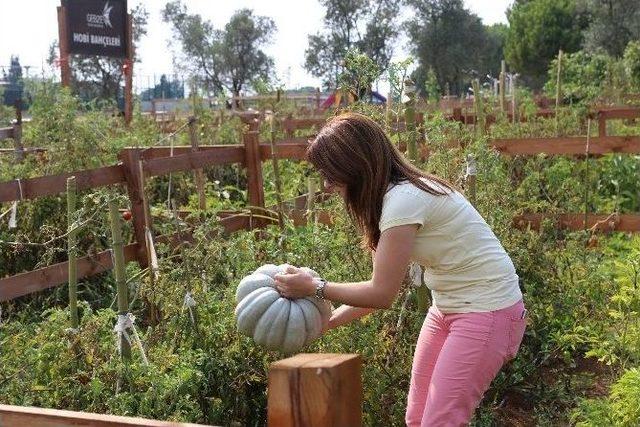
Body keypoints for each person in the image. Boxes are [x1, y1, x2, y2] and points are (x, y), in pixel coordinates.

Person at [274, 112, 527, 426]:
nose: (326, 185)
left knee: (439, 423)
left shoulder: (403, 200)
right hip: (447, 309)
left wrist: (314, 287)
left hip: (487, 312)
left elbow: (382, 294)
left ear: (354, 164)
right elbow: (374, 287)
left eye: (331, 173)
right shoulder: (388, 201)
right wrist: (327, 322)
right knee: (417, 419)